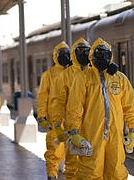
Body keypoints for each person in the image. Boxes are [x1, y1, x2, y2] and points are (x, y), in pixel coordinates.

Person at [66, 38, 134, 180]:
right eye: (97, 55)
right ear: (91, 56)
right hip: (91, 135)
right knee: (90, 172)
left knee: (116, 171)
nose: (101, 58)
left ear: (110, 56)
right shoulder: (83, 78)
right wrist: (74, 132)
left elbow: (129, 107)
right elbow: (75, 107)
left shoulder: (119, 79)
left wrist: (132, 131)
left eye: (105, 55)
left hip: (115, 136)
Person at [48, 37, 91, 179]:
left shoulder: (95, 74)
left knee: (93, 165)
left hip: (94, 127)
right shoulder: (65, 76)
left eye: (86, 51)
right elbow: (57, 102)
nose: (83, 54)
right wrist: (57, 125)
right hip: (74, 128)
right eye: (80, 51)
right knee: (72, 165)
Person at [37, 41, 70, 180]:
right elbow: (43, 96)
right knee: (53, 149)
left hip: (71, 119)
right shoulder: (48, 75)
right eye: (61, 54)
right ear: (55, 56)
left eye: (67, 54)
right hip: (54, 119)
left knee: (72, 151)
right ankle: (52, 175)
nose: (64, 56)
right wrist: (42, 117)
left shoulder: (73, 73)